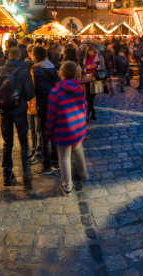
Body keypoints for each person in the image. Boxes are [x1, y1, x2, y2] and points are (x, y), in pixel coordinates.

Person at [0, 48, 35, 188]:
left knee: (7, 143)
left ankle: (6, 174)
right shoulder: (23, 72)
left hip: (4, 112)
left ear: (7, 56)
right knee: (23, 142)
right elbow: (29, 94)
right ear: (19, 56)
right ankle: (25, 174)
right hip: (20, 111)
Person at [46, 61, 89, 194]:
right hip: (77, 128)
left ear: (61, 73)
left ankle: (67, 186)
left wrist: (47, 133)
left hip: (63, 130)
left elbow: (50, 115)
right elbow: (84, 107)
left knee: (64, 157)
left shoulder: (55, 92)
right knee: (77, 147)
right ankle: (83, 173)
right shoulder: (80, 89)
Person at [31, 46, 61, 174]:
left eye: (32, 54)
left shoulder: (37, 70)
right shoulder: (51, 66)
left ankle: (47, 165)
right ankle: (55, 162)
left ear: (36, 56)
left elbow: (42, 91)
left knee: (46, 136)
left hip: (45, 105)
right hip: (55, 103)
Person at [82, 46, 107, 120]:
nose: (91, 54)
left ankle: (88, 114)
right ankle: (92, 112)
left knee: (91, 98)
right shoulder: (85, 58)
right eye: (90, 53)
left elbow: (103, 68)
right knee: (87, 98)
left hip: (95, 80)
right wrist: (87, 68)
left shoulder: (99, 56)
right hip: (86, 80)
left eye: (92, 52)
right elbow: (82, 69)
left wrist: (96, 66)